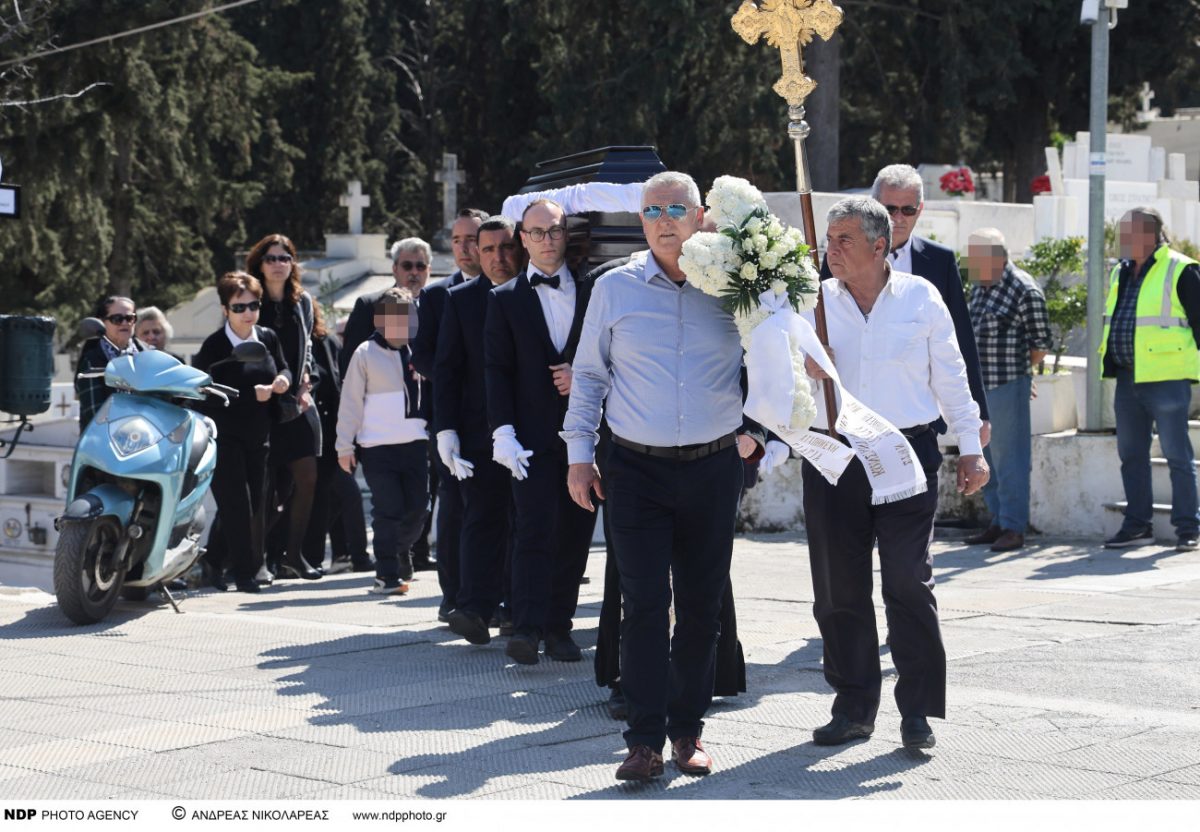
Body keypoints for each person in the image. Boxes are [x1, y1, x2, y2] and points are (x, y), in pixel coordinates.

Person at [563, 171, 764, 782]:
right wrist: (578, 452)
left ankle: (688, 732)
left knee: (702, 609)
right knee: (644, 604)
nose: (667, 219)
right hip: (635, 468)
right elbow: (590, 374)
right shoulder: (613, 288)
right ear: (641, 220)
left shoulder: (736, 283)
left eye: (679, 208)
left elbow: (774, 360)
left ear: (702, 216)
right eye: (654, 210)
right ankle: (643, 741)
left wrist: (763, 432)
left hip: (712, 468)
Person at [802, 197, 988, 751]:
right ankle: (854, 706)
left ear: (880, 247)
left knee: (908, 581)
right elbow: (770, 378)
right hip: (835, 456)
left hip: (906, 455)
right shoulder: (810, 303)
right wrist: (804, 365)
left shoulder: (920, 297)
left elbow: (952, 376)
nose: (830, 250)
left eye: (843, 241)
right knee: (838, 588)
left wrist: (971, 446)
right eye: (828, 239)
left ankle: (918, 711)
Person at [484, 199, 598, 665]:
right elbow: (497, 369)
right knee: (533, 530)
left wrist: (584, 375)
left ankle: (560, 627)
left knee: (575, 530)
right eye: (536, 232)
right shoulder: (504, 299)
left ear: (564, 234)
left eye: (553, 230)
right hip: (529, 438)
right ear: (523, 239)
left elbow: (615, 353)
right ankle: (526, 628)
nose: (546, 240)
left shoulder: (596, 292)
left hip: (585, 434)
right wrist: (502, 432)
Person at [820, 164, 990, 448]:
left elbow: (959, 340)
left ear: (920, 209)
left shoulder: (939, 261)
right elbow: (824, 318)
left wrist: (978, 414)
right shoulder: (839, 256)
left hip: (914, 425)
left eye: (907, 210)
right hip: (847, 424)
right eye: (890, 208)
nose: (898, 218)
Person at [435, 216, 522, 645]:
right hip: (477, 431)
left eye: (504, 248)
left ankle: (515, 606)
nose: (496, 258)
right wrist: (445, 430)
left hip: (530, 427)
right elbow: (446, 369)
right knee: (481, 517)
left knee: (525, 520)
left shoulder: (533, 291)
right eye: (487, 250)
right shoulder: (460, 299)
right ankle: (472, 606)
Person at [1100, 207, 1200, 552]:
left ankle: (1188, 527)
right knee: (1131, 454)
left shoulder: (1180, 268)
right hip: (1129, 378)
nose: (1121, 240)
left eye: (1126, 234)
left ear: (1147, 235)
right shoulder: (1121, 272)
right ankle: (1138, 525)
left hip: (1167, 377)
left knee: (1177, 455)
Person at [192, 272, 292, 593]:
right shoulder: (214, 346)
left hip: (259, 433)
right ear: (225, 310)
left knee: (255, 503)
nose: (247, 312)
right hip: (225, 435)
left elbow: (283, 365)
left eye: (253, 305)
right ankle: (246, 573)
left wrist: (282, 382)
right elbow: (203, 393)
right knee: (237, 503)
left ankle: (213, 560)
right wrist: (253, 395)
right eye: (239, 307)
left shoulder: (267, 337)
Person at [412, 210, 488, 612]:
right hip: (450, 418)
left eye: (472, 239)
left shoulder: (506, 288)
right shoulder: (437, 295)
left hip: (496, 418)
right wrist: (453, 375)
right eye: (457, 240)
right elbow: (422, 355)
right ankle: (452, 595)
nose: (464, 248)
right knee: (455, 506)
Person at [337, 287, 431, 596]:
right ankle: (386, 573)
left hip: (416, 444)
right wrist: (344, 446)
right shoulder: (365, 354)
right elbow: (350, 402)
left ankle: (400, 548)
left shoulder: (421, 352)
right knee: (387, 510)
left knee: (418, 509)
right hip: (377, 448)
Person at [964, 228, 1051, 552]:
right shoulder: (981, 286)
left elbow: (1041, 342)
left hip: (1006, 385)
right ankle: (998, 521)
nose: (970, 264)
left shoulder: (1024, 289)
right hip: (977, 389)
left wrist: (1022, 376)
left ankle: (1014, 528)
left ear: (997, 259)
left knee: (1010, 459)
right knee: (985, 456)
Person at [247, 233, 322, 582]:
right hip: (262, 404)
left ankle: (294, 555)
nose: (278, 264)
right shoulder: (249, 301)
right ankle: (253, 560)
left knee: (307, 478)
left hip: (296, 402)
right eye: (271, 258)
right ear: (259, 264)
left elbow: (307, 347)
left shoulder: (301, 301)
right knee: (264, 490)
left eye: (284, 257)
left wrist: (307, 379)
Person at [302, 302, 371, 573]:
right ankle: (315, 556)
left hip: (332, 436)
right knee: (320, 500)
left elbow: (341, 388)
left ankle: (354, 557)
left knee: (346, 496)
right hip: (305, 437)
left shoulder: (328, 343)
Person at [341, 237, 435, 376]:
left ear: (429, 270)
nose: (414, 272)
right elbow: (350, 363)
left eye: (420, 266)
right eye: (407, 266)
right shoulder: (369, 306)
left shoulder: (439, 306)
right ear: (395, 269)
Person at [76, 295, 146, 428]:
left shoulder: (147, 355)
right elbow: (95, 415)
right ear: (102, 322)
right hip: (103, 442)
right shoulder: (92, 360)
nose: (125, 323)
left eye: (130, 318)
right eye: (117, 319)